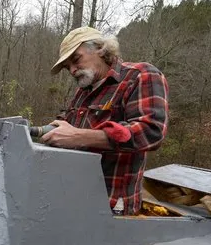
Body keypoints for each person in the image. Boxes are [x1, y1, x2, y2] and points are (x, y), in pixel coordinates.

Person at [41, 26, 169, 216]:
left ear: (101, 48)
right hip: (73, 200)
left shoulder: (140, 75)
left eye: (76, 60)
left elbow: (151, 132)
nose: (73, 70)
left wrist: (79, 136)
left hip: (112, 208)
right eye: (68, 67)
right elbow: (64, 125)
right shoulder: (83, 92)